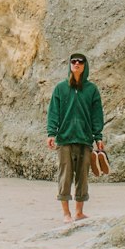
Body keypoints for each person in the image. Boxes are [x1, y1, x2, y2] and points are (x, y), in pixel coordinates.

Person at [47, 52, 105, 223]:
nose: (77, 64)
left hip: (85, 139)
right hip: (64, 139)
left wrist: (98, 137)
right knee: (64, 176)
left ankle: (79, 213)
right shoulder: (60, 88)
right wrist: (51, 133)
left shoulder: (92, 90)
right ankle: (66, 214)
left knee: (83, 177)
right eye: (73, 61)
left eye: (80, 62)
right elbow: (53, 113)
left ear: (85, 66)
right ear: (70, 65)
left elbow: (97, 115)